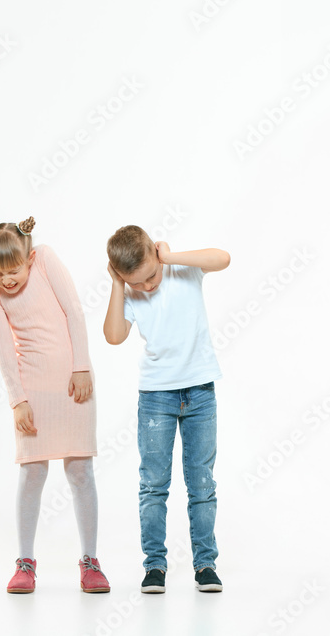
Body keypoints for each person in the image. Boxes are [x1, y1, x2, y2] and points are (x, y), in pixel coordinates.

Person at [0, 213, 109, 594]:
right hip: (32, 389)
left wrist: (82, 366)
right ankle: (25, 561)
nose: (7, 279)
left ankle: (90, 560)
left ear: (29, 257)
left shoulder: (46, 258)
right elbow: (4, 349)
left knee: (80, 470)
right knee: (32, 473)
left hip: (73, 384)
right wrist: (17, 400)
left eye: (13, 270)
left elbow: (74, 311)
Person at [103, 226, 230, 594]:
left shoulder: (180, 269)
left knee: (202, 483)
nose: (147, 287)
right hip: (157, 395)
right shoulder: (129, 291)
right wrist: (118, 284)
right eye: (136, 282)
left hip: (199, 391)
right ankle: (154, 566)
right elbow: (113, 336)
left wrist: (168, 258)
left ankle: (205, 564)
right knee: (154, 485)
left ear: (157, 257)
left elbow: (223, 258)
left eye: (151, 276)